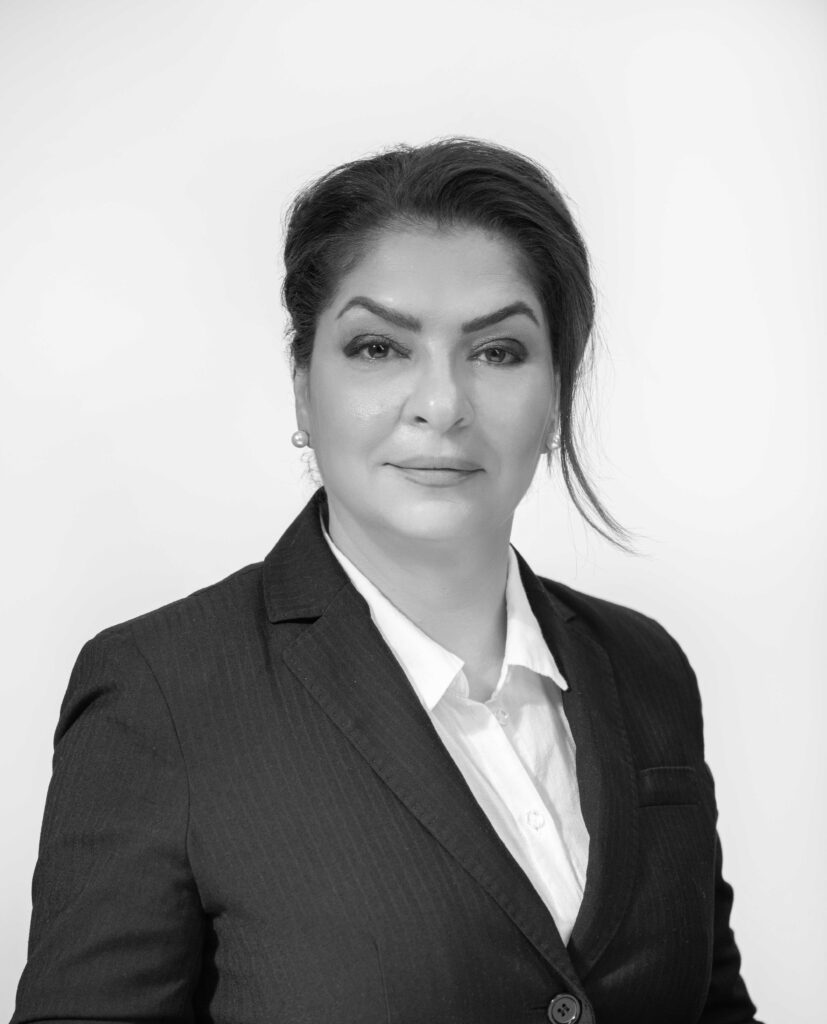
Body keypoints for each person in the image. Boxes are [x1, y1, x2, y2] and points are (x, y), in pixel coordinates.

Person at [11, 138, 762, 1024]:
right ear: (303, 387)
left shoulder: (645, 667)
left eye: (499, 351)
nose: (441, 404)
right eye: (378, 347)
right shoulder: (162, 693)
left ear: (556, 394)